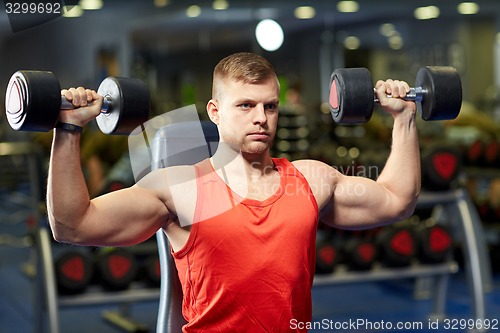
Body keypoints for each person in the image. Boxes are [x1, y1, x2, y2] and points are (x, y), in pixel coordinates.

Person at [46, 52, 420, 332]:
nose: (261, 117)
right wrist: (68, 130)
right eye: (245, 105)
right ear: (215, 111)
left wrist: (404, 120)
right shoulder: (181, 190)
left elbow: (396, 200)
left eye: (270, 106)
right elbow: (73, 225)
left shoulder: (309, 180)